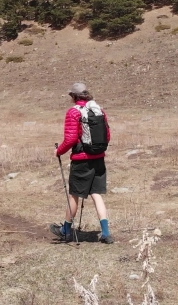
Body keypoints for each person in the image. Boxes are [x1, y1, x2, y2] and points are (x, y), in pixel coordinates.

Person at [50, 82, 113, 244]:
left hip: (82, 160)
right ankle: (106, 233)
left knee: (75, 195)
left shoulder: (73, 112)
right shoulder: (99, 110)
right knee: (96, 194)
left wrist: (58, 152)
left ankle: (66, 230)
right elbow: (108, 136)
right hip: (98, 158)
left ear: (73, 96)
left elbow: (70, 139)